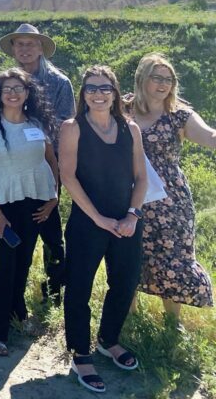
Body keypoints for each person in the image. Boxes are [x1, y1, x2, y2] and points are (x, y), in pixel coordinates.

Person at [61, 66, 147, 393]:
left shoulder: (131, 129)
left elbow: (141, 178)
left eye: (105, 88)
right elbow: (68, 177)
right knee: (80, 288)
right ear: (83, 94)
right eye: (91, 88)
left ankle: (108, 340)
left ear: (114, 92)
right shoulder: (73, 128)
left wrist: (132, 216)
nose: (98, 94)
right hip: (88, 222)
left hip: (126, 221)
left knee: (125, 283)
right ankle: (81, 353)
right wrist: (98, 219)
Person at [0, 69, 59, 357]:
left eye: (18, 88)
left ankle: (17, 311)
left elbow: (51, 160)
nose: (13, 93)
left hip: (36, 202)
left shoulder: (37, 123)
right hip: (4, 204)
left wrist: (55, 196)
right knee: (6, 263)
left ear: (27, 93)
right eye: (7, 88)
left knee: (24, 259)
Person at [128, 53, 215, 320]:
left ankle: (172, 322)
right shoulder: (121, 108)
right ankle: (126, 316)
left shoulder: (180, 115)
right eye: (157, 77)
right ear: (142, 78)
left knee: (172, 256)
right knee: (128, 255)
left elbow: (210, 136)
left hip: (170, 200)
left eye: (169, 79)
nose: (163, 84)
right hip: (128, 195)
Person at [0, 23, 74, 303]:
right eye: (20, 44)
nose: (25, 49)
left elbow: (66, 129)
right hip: (12, 169)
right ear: (14, 49)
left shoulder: (58, 82)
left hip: (46, 166)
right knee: (18, 228)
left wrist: (57, 175)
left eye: (30, 44)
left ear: (41, 47)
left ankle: (54, 289)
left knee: (51, 231)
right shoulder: (7, 81)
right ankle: (14, 291)